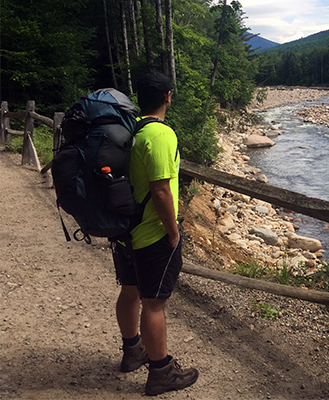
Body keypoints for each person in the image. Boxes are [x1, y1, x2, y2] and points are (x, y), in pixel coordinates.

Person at [111, 70, 198, 396]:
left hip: (126, 232)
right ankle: (161, 371)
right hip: (151, 234)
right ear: (168, 97)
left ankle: (133, 350)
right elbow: (162, 191)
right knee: (154, 304)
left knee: (130, 291)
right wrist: (173, 233)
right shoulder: (161, 135)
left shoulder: (132, 131)